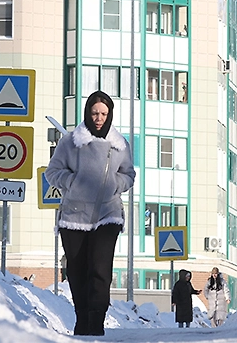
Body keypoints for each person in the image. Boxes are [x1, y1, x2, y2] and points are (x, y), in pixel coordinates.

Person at [44, 91, 136, 336]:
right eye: (95, 113)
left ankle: (96, 321)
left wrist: (116, 184)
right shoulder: (71, 141)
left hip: (108, 214)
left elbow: (129, 175)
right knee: (76, 269)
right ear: (87, 112)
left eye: (104, 114)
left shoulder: (119, 144)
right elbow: (51, 172)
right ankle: (82, 318)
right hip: (74, 216)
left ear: (110, 115)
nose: (99, 118)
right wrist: (72, 181)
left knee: (100, 268)